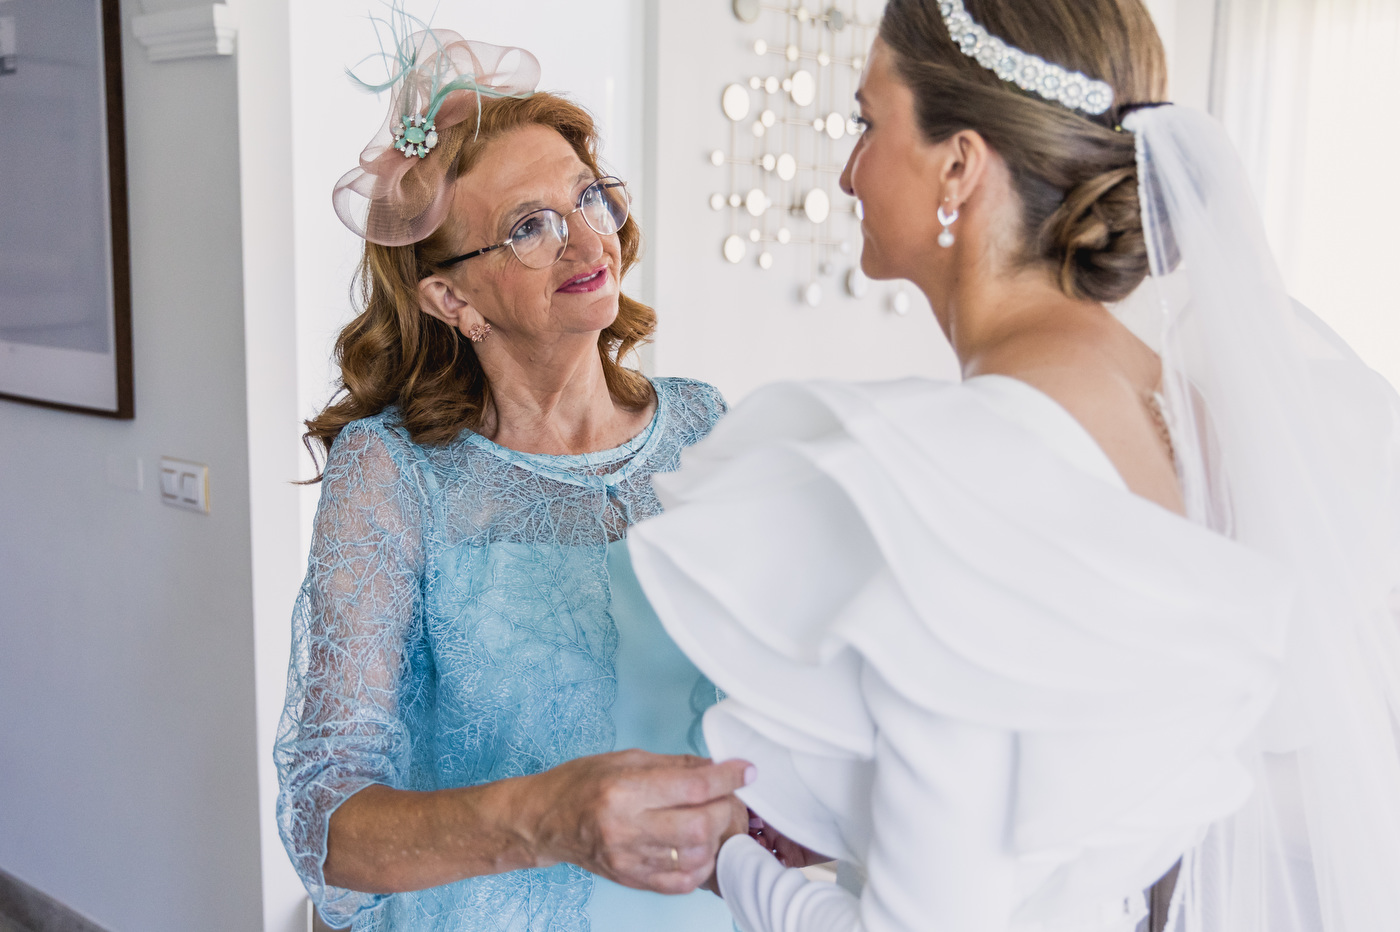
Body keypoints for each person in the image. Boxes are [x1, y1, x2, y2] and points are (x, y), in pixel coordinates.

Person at [628, 1, 1400, 931]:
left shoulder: (959, 477)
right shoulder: (1216, 429)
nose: (847, 172)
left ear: (959, 163)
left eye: (869, 123)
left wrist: (734, 864)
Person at [274, 23, 748, 932]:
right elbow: (323, 821)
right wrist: (549, 821)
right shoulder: (395, 475)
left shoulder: (704, 426)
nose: (585, 243)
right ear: (453, 300)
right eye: (529, 228)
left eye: (588, 200)